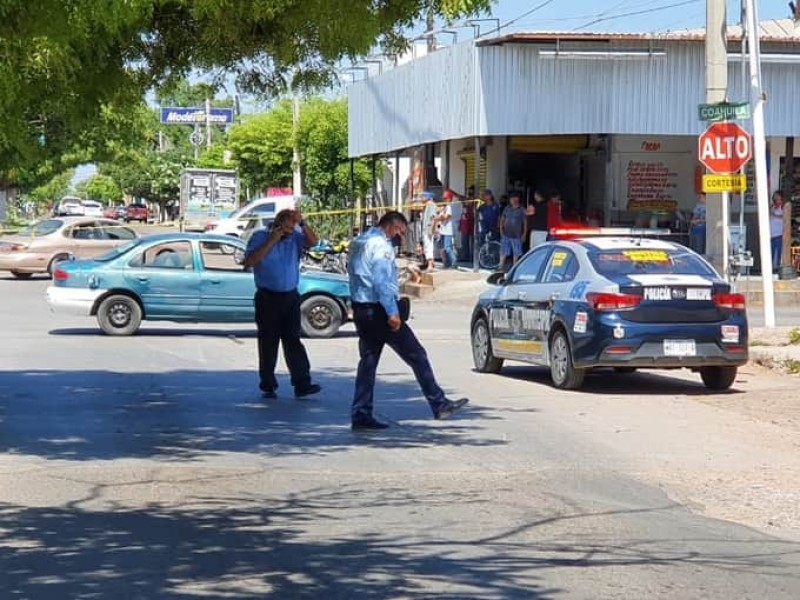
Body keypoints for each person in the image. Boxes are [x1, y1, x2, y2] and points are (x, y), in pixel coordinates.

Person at [347, 211, 469, 430]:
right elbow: (382, 282)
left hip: (361, 309)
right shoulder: (381, 246)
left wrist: (403, 273)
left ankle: (361, 412)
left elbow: (363, 275)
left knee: (368, 362)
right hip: (379, 312)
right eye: (400, 232)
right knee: (417, 355)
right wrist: (392, 313)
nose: (400, 237)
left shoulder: (359, 242)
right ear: (392, 226)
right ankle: (439, 402)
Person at [244, 208, 322, 400]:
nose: (289, 232)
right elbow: (250, 261)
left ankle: (302, 383)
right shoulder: (260, 237)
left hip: (290, 296)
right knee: (268, 341)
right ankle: (268, 383)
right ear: (277, 225)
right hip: (267, 297)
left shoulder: (295, 237)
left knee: (293, 341)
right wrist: (272, 240)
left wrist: (302, 223)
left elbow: (314, 243)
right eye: (286, 228)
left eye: (292, 227)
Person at [498, 192, 527, 271]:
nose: (514, 200)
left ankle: (514, 268)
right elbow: (502, 220)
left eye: (515, 198)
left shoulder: (522, 209)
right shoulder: (507, 208)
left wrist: (524, 233)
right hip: (506, 233)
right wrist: (501, 230)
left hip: (517, 234)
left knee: (516, 252)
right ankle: (500, 267)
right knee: (503, 251)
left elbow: (525, 222)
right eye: (512, 198)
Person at [438, 190, 458, 269]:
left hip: (448, 231)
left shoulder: (449, 207)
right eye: (444, 198)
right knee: (443, 248)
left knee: (448, 248)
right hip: (443, 230)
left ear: (450, 199)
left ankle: (454, 262)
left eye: (446, 198)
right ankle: (447, 263)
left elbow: (446, 217)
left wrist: (439, 218)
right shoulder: (445, 207)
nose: (444, 200)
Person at [420, 191, 439, 271]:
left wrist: (431, 229)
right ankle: (431, 264)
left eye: (422, 196)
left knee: (428, 246)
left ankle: (430, 265)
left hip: (428, 229)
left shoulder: (431, 205)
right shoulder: (427, 205)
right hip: (426, 228)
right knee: (427, 246)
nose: (421, 198)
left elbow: (432, 218)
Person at [770, 191, 786, 270]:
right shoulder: (772, 206)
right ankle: (770, 268)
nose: (776, 198)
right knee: (771, 252)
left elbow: (785, 218)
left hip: (779, 234)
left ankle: (778, 268)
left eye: (777, 197)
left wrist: (774, 215)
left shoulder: (783, 207)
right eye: (775, 196)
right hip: (771, 234)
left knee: (778, 253)